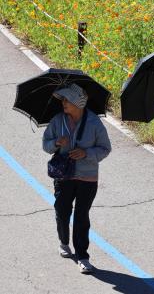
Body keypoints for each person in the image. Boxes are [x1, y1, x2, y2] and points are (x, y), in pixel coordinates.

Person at [42, 83, 111, 273]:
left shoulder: (94, 123)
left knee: (81, 216)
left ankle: (82, 256)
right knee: (62, 211)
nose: (63, 103)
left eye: (67, 100)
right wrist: (56, 143)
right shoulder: (57, 121)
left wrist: (86, 153)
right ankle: (64, 242)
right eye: (62, 100)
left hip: (87, 178)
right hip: (64, 176)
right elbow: (45, 145)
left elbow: (105, 149)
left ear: (78, 102)